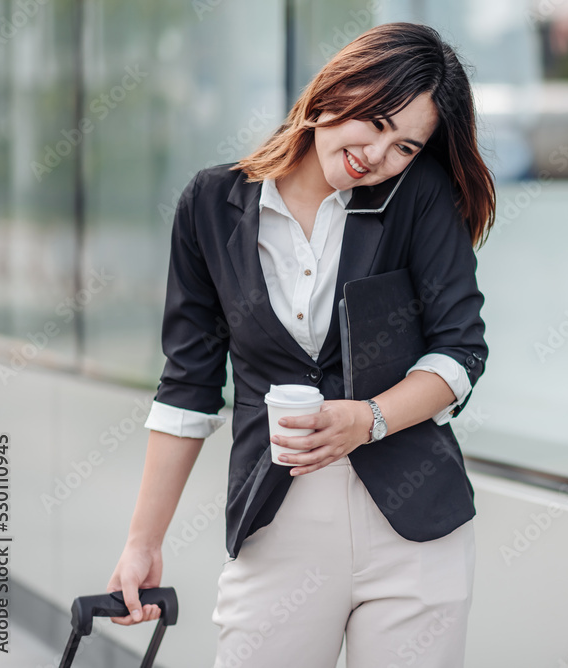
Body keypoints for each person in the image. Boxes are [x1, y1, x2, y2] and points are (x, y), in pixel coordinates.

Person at [106, 22, 495, 667]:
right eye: (374, 122)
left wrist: (367, 419)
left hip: (414, 525)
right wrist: (142, 542)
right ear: (332, 93)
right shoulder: (211, 205)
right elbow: (189, 386)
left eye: (404, 146)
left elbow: (461, 353)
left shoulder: (417, 197)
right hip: (277, 516)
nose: (377, 154)